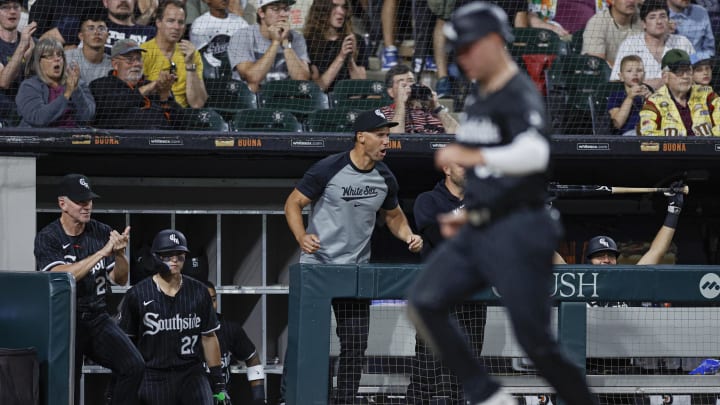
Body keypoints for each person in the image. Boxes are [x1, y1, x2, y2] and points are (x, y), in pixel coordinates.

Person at [406, 3, 599, 405]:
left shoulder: (518, 90)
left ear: (495, 43)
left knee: (536, 346)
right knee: (424, 302)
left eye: (468, 49)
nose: (460, 59)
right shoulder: (480, 93)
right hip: (482, 227)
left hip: (520, 229)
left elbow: (533, 154)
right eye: (456, 51)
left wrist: (476, 158)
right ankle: (487, 394)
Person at [284, 108, 423, 404]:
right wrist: (301, 236)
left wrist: (408, 235)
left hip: (355, 275)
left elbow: (394, 216)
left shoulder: (385, 177)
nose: (387, 141)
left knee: (356, 344)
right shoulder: (328, 168)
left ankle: (345, 400)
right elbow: (293, 203)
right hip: (318, 270)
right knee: (310, 344)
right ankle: (297, 398)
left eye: (388, 136)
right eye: (381, 135)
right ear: (361, 137)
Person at [34, 173, 145, 405]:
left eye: (89, 201)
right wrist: (103, 253)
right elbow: (62, 276)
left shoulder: (101, 231)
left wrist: (119, 254)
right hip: (64, 323)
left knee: (133, 366)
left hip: (97, 318)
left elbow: (120, 279)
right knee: (67, 388)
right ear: (62, 204)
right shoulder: (48, 237)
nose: (87, 206)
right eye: (80, 201)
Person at [119, 229, 230, 405]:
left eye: (179, 255)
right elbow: (127, 343)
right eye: (167, 255)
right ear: (155, 256)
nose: (174, 260)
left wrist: (219, 384)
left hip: (191, 372)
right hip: (153, 374)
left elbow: (209, 337)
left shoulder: (199, 292)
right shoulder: (137, 294)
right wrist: (119, 383)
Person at [409, 162, 487, 405]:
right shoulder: (428, 200)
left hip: (473, 298)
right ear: (446, 169)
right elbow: (438, 235)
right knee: (427, 367)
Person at [90, 38, 183, 129]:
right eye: (130, 60)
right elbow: (110, 107)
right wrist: (145, 90)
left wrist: (165, 95)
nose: (136, 64)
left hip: (160, 139)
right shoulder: (100, 85)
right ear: (115, 64)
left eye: (139, 59)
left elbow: (180, 122)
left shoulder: (153, 86)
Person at [204, 281, 266, 405]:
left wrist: (259, 398)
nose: (211, 305)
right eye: (205, 300)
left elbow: (252, 358)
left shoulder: (229, 329)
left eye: (214, 300)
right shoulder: (186, 331)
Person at [227, 0, 310, 93]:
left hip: (286, 99)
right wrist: (275, 42)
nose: (283, 14)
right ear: (261, 13)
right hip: (252, 100)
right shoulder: (242, 36)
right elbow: (252, 78)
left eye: (286, 9)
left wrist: (286, 42)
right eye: (276, 9)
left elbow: (302, 80)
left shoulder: (296, 38)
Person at [610, 0, 695, 89]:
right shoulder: (629, 45)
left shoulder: (683, 42)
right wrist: (645, 85)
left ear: (668, 20)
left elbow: (697, 74)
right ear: (643, 24)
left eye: (663, 16)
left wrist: (667, 82)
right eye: (652, 17)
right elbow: (616, 81)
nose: (659, 21)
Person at [141, 0, 208, 108]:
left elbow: (197, 103)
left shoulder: (191, 54)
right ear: (158, 22)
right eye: (171, 21)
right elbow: (134, 97)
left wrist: (190, 65)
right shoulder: (143, 53)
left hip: (183, 117)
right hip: (152, 112)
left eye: (181, 22)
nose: (176, 27)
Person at [15, 38, 95, 127]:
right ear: (39, 62)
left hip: (72, 138)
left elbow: (87, 117)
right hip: (41, 138)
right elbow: (38, 118)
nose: (57, 59)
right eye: (50, 56)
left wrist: (76, 89)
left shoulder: (79, 84)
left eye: (59, 55)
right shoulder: (29, 86)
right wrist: (66, 94)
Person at [639, 48, 720, 136]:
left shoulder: (707, 95)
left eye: (688, 70)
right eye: (678, 71)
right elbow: (647, 135)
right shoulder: (654, 102)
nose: (685, 76)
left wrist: (710, 143)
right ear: (665, 77)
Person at [303, 0, 368, 92]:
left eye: (344, 7)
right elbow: (317, 90)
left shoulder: (357, 40)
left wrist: (350, 59)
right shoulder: (308, 42)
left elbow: (361, 88)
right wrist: (341, 57)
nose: (341, 12)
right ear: (321, 9)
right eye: (334, 6)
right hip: (321, 103)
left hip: (349, 101)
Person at [379, 64, 458, 134]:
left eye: (410, 81)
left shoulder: (433, 112)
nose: (408, 86)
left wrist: (437, 106)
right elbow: (395, 142)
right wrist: (401, 103)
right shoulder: (383, 113)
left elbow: (458, 135)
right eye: (401, 82)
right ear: (391, 92)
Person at [189, 0, 249, 79]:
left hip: (238, 79)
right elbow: (202, 61)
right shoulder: (199, 24)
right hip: (211, 80)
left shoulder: (240, 22)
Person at [0, 1, 35, 120]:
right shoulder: (25, 42)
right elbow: (4, 81)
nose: (12, 11)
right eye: (5, 8)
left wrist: (30, 59)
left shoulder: (33, 43)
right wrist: (22, 47)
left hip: (28, 114)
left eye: (16, 7)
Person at [582, 0, 643, 67]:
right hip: (606, 75)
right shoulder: (597, 23)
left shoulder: (643, 20)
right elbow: (597, 63)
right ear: (612, 1)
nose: (631, 1)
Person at [607, 55, 653, 135]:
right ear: (621, 76)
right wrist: (630, 97)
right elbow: (617, 124)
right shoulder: (616, 96)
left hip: (650, 132)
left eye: (639, 70)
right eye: (629, 71)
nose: (635, 74)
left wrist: (651, 101)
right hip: (628, 135)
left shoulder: (649, 91)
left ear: (644, 75)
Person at [65, 16, 113, 84]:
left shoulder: (113, 65)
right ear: (81, 36)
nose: (97, 32)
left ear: (107, 36)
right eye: (91, 28)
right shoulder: (66, 58)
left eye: (101, 29)